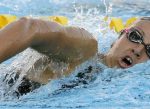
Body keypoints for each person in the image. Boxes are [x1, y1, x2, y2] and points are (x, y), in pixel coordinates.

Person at [1, 17, 150, 96]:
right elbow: (28, 28)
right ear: (119, 37)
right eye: (135, 36)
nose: (138, 50)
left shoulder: (122, 91)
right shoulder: (85, 50)